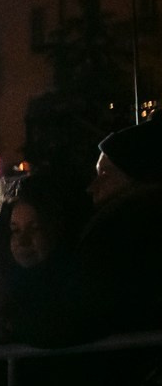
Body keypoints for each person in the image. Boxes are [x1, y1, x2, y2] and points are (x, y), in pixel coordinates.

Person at [0, 171, 96, 347]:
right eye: (15, 230)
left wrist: (4, 309)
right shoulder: (3, 280)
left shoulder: (75, 282)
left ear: (57, 230)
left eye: (35, 228)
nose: (22, 241)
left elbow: (59, 333)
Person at [78, 121, 162, 336]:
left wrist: (8, 308)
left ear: (138, 174)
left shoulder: (122, 227)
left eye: (105, 174)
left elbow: (83, 315)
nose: (92, 187)